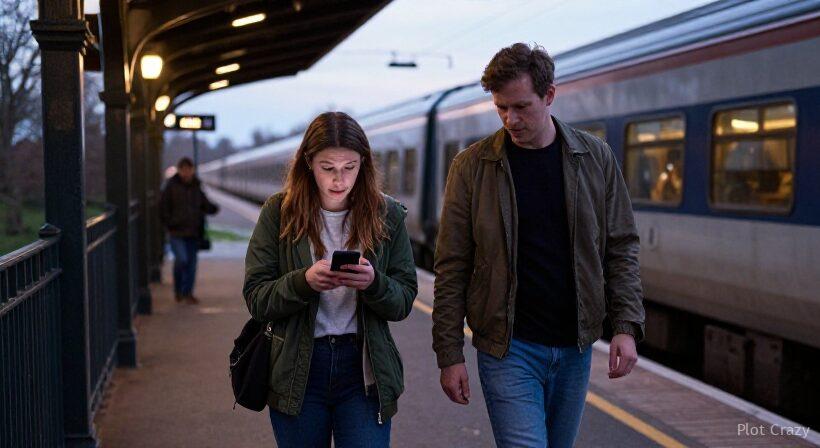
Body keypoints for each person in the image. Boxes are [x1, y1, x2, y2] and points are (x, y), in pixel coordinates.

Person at [432, 43, 645, 448]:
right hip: (507, 347)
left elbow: (621, 247)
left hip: (575, 347)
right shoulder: (473, 167)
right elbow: (452, 265)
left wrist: (625, 326)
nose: (510, 119)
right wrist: (449, 353)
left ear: (549, 95)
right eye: (500, 108)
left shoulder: (594, 158)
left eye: (521, 107)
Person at [243, 112, 417, 447]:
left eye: (350, 167)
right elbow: (256, 297)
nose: (340, 179)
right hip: (298, 368)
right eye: (328, 168)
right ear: (308, 162)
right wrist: (303, 282)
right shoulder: (279, 212)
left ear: (363, 163)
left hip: (363, 369)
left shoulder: (387, 215)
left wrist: (374, 284)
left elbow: (404, 300)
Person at [159, 157, 219, 304]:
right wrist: (170, 223)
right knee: (181, 260)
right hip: (176, 232)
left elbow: (204, 204)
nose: (186, 172)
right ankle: (179, 290)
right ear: (179, 170)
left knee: (191, 265)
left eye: (189, 169)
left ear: (192, 170)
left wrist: (213, 208)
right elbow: (162, 208)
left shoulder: (196, 187)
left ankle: (188, 293)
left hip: (193, 233)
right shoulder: (170, 187)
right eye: (183, 169)